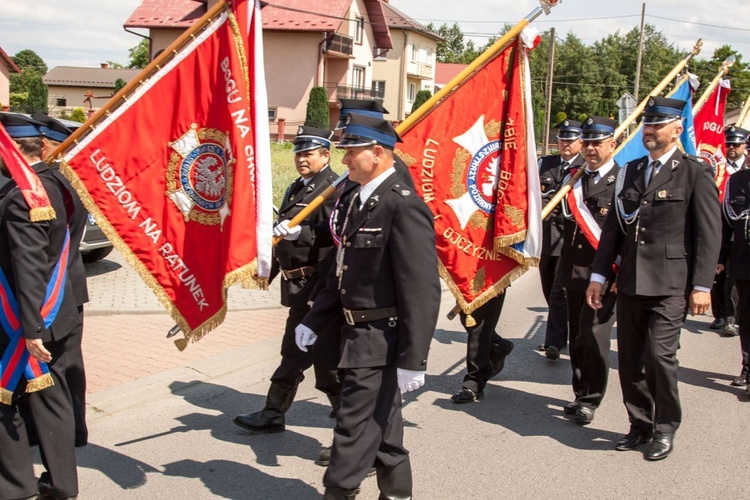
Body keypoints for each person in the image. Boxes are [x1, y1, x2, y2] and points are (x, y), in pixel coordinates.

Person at [295, 113, 440, 499]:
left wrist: (414, 357)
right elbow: (341, 271)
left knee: (352, 426)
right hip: (353, 331)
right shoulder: (358, 200)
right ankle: (397, 494)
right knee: (384, 426)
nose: (343, 161)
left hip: (380, 338)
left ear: (377, 153)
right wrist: (315, 317)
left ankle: (338, 491)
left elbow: (421, 290)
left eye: (351, 152)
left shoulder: (402, 206)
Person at [586, 97, 721, 461]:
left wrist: (702, 286)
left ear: (677, 129)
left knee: (660, 357)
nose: (650, 130)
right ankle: (639, 424)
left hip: (671, 284)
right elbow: (613, 228)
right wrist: (599, 275)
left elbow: (709, 233)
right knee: (630, 360)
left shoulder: (694, 171)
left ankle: (665, 427)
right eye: (647, 124)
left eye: (658, 124)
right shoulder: (629, 171)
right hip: (630, 280)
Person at [234, 126, 342, 433]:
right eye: (298, 154)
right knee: (294, 352)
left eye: (308, 154)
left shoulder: (332, 188)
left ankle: (352, 420)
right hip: (298, 287)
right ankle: (273, 413)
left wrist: (302, 233)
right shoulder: (298, 186)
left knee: (323, 360)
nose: (301, 159)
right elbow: (284, 234)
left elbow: (335, 236)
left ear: (325, 154)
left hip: (319, 287)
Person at [0, 113, 80, 499]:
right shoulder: (51, 184)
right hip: (54, 312)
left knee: (7, 395)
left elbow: (29, 266)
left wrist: (30, 330)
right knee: (52, 401)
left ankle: (16, 484)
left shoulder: (24, 196)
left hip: (24, 320)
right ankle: (61, 484)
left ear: (12, 149)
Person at [32, 111, 91, 447]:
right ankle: (75, 431)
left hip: (51, 286)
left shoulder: (49, 183)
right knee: (70, 364)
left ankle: (58, 434)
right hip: (71, 282)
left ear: (44, 146)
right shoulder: (73, 177)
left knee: (56, 366)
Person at [558, 116, 619, 424]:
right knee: (577, 335)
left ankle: (591, 399)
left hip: (604, 273)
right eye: (588, 142)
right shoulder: (573, 177)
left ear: (613, 143)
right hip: (574, 270)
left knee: (594, 336)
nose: (591, 148)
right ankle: (580, 391)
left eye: (598, 142)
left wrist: (616, 273)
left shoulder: (623, 180)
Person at [537, 120, 584, 360]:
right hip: (547, 239)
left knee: (558, 292)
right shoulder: (545, 164)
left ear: (581, 142)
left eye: (571, 139)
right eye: (563, 139)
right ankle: (560, 326)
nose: (566, 144)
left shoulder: (585, 167)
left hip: (569, 240)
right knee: (549, 288)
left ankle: (553, 342)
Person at [709, 126, 747, 338]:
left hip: (739, 227)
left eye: (736, 144)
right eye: (728, 144)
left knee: (733, 276)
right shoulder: (718, 166)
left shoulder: (742, 173)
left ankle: (731, 317)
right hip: (719, 223)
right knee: (719, 273)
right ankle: (721, 314)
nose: (731, 148)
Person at [450, 293, 515, 403]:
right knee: (466, 315)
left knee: (478, 320)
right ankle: (497, 346)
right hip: (467, 277)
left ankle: (475, 379)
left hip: (489, 278)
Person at [720, 161, 750, 390]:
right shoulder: (736, 181)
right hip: (744, 261)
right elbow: (726, 226)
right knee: (746, 317)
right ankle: (748, 367)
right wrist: (719, 259)